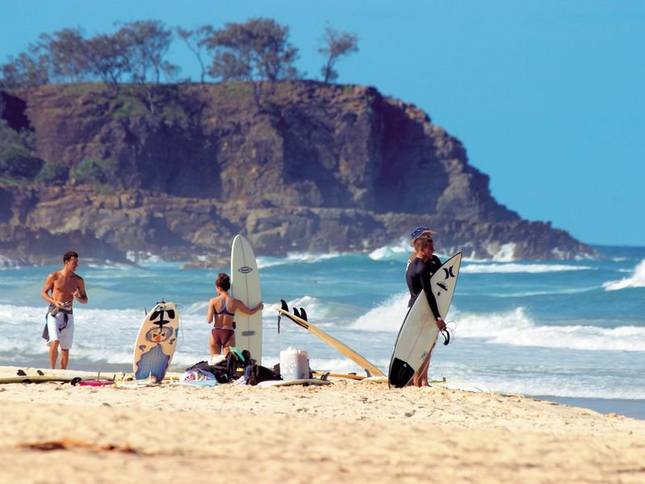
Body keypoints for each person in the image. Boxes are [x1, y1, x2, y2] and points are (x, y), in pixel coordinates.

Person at [405, 227, 446, 387]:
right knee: (425, 344)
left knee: (426, 344)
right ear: (420, 244)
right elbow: (427, 292)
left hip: (418, 308)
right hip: (423, 308)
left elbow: (442, 282)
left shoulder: (427, 261)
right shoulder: (418, 266)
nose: (432, 243)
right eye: (427, 238)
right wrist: (437, 317)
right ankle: (419, 379)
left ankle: (420, 379)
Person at [40, 250, 88, 369]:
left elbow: (85, 300)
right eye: (74, 262)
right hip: (54, 313)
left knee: (65, 349)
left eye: (77, 262)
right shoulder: (54, 276)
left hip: (68, 314)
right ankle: (52, 371)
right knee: (54, 341)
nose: (76, 265)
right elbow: (43, 293)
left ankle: (62, 373)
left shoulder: (78, 280)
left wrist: (78, 297)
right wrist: (54, 301)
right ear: (66, 262)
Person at [207, 273, 263, 357]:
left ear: (218, 287)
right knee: (229, 363)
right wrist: (259, 306)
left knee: (215, 362)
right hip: (228, 334)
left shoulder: (213, 301)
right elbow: (250, 312)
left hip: (216, 333)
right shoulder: (236, 302)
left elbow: (209, 320)